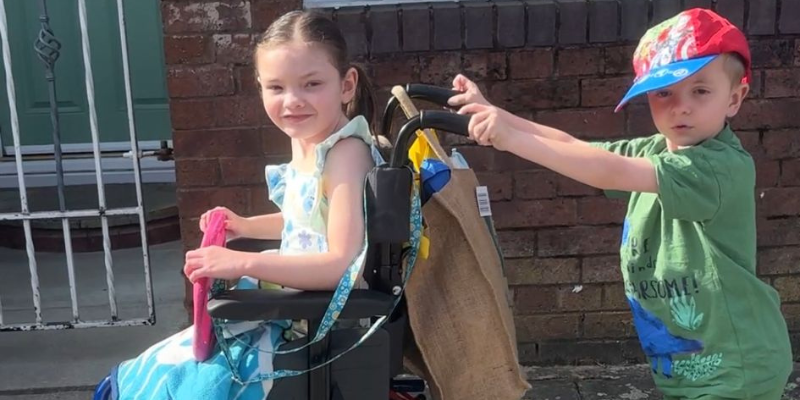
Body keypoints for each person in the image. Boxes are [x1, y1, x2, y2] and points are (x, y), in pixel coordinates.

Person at [450, 8, 793, 400]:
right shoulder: (653, 150)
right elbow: (573, 147)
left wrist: (509, 139)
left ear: (735, 98)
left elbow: (606, 171)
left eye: (700, 90)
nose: (681, 106)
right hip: (693, 369)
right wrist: (498, 116)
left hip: (738, 367)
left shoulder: (718, 167)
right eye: (664, 92)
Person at [106, 10, 385, 399]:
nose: (293, 101)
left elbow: (341, 263)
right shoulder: (312, 137)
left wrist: (243, 262)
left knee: (177, 381)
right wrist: (245, 225)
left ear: (347, 84)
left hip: (316, 322)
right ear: (259, 88)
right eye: (276, 88)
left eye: (311, 84)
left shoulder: (345, 154)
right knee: (157, 365)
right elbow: (309, 222)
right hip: (295, 305)